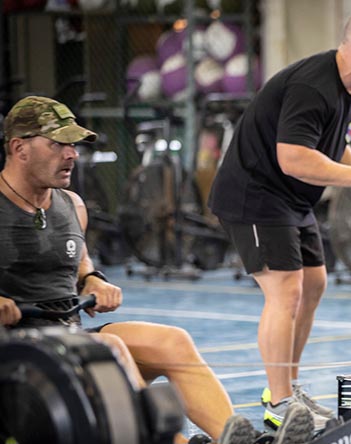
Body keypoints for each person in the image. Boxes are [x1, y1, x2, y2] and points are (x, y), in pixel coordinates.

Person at [0, 96, 314, 444]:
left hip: (68, 337)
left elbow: (80, 261)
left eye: (73, 145)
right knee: (113, 347)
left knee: (172, 341)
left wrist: (92, 279)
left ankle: (240, 440)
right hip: (15, 356)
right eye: (58, 144)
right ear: (20, 148)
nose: (71, 154)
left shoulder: (71, 204)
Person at [207, 5, 351, 434]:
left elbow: (333, 143)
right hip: (255, 194)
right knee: (285, 290)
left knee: (314, 283)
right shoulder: (312, 86)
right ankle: (279, 400)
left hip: (290, 200)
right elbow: (292, 157)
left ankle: (289, 387)